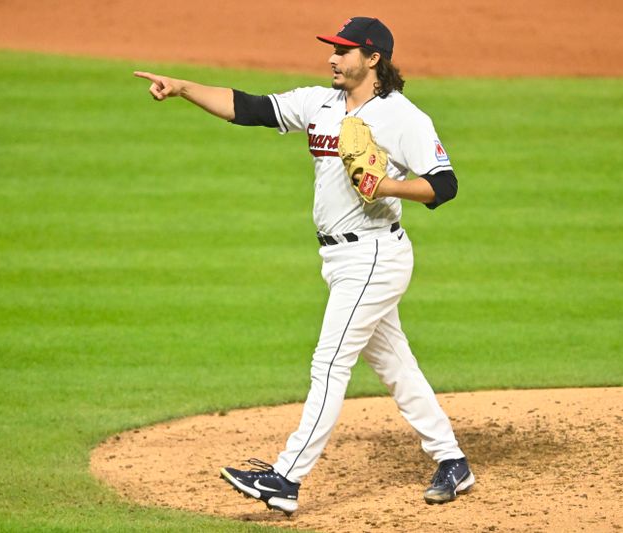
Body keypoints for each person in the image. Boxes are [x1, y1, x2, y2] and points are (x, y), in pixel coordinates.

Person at [135, 16, 473, 517]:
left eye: (343, 51)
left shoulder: (404, 118)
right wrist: (184, 88)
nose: (332, 58)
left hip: (375, 254)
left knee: (330, 361)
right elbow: (249, 108)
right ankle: (452, 461)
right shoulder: (319, 103)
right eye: (332, 50)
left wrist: (388, 187)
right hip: (339, 258)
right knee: (395, 364)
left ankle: (286, 478)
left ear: (373, 58)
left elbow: (444, 185)